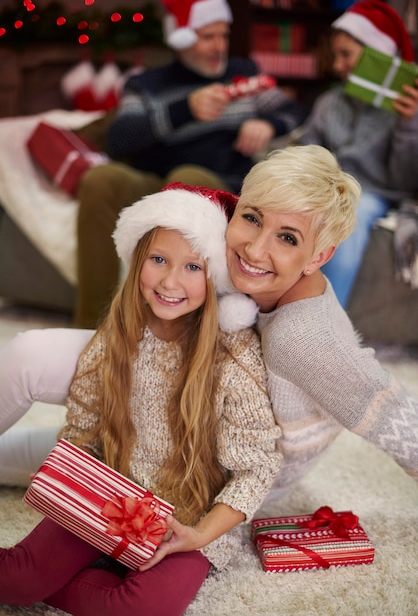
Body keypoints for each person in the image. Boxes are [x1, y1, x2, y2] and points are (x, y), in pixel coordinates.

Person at [1, 145, 418, 494]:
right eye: (252, 218)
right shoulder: (253, 271)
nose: (255, 249)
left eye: (287, 238)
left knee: (31, 361)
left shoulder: (304, 337)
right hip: (174, 403)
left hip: (199, 462)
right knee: (30, 396)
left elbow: (392, 415)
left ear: (319, 257)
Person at [0, 184, 281, 615]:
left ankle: (72, 578)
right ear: (137, 262)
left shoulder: (234, 356)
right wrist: (73, 500)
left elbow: (257, 467)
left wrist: (201, 534)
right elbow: (82, 427)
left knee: (144, 607)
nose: (170, 281)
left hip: (189, 517)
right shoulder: (118, 335)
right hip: (109, 495)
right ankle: (57, 573)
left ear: (214, 278)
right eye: (158, 260)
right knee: (19, 577)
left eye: (192, 266)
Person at [74, 0, 307, 329]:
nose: (219, 46)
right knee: (100, 179)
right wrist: (185, 109)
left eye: (223, 35)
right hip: (157, 181)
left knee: (189, 175)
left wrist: (267, 123)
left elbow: (295, 112)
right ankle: (93, 327)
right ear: (181, 40)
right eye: (207, 37)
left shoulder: (243, 74)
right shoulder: (147, 83)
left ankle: (183, 322)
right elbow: (120, 137)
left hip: (221, 181)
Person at [297, 0, 418, 308]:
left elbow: (404, 181)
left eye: (346, 55)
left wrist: (408, 125)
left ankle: (327, 321)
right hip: (324, 185)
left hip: (373, 192)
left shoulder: (406, 108)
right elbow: (304, 149)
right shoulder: (329, 102)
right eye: (334, 56)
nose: (337, 66)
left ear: (377, 55)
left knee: (349, 211)